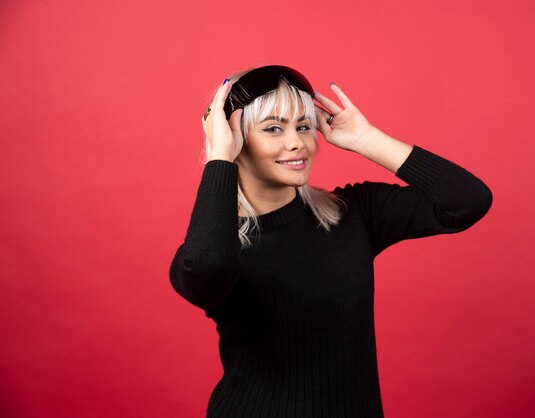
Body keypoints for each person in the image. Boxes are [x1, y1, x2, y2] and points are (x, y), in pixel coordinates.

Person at [169, 65, 493, 418]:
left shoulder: (352, 213)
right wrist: (219, 158)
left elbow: (467, 201)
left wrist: (365, 140)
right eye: (274, 128)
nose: (297, 142)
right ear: (236, 137)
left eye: (304, 127)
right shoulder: (217, 245)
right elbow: (208, 266)